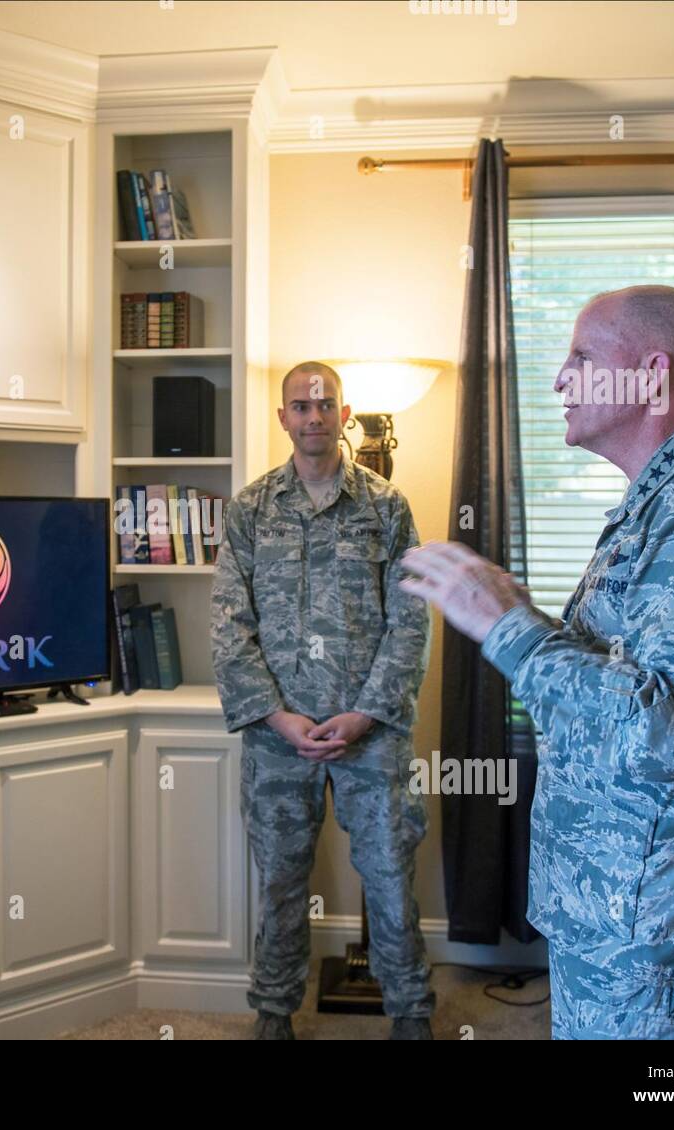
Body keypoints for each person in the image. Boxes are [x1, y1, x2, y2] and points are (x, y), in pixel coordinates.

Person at [401, 285, 674, 1039]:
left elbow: (671, 728)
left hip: (661, 928)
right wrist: (529, 622)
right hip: (622, 906)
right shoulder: (662, 504)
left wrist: (513, 630)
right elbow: (637, 677)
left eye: (581, 357)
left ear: (650, 375)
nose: (559, 378)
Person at [211, 361, 433, 1040]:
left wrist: (368, 712)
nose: (313, 416)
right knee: (280, 883)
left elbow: (413, 618)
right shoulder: (250, 509)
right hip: (279, 736)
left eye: (325, 404)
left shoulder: (386, 506)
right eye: (300, 406)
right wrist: (278, 716)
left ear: (344, 413)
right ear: (283, 417)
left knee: (392, 882)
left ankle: (412, 1013)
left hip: (370, 733)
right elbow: (229, 623)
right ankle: (273, 1012)